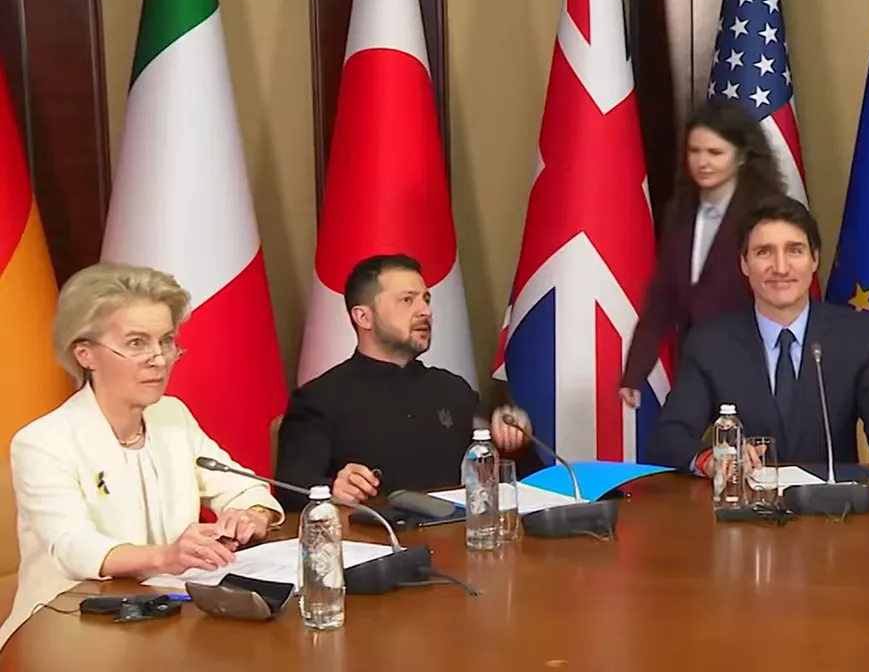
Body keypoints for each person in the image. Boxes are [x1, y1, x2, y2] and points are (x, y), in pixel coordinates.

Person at [1, 264, 284, 645]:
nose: (159, 358)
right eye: (137, 343)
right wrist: (165, 556)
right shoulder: (43, 441)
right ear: (85, 354)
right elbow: (73, 547)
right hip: (66, 629)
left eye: (165, 341)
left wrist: (250, 516)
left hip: (161, 617)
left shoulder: (172, 416)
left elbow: (243, 487)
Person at [647, 195, 869, 490]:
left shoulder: (856, 334)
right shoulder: (711, 341)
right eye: (764, 252)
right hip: (743, 517)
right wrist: (710, 458)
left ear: (814, 260)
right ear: (744, 263)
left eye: (794, 251)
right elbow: (669, 437)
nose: (781, 268)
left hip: (832, 517)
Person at [274, 254, 542, 511]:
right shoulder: (319, 398)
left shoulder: (451, 389)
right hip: (376, 547)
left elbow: (513, 477)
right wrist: (333, 488)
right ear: (363, 317)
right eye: (407, 300)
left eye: (426, 300)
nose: (425, 311)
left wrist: (515, 443)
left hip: (458, 542)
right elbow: (291, 489)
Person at [619, 99, 786, 407]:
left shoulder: (767, 212)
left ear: (741, 156)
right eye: (695, 152)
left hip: (752, 368)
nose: (702, 162)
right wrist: (635, 371)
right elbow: (662, 297)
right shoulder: (679, 212)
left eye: (715, 152)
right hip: (693, 365)